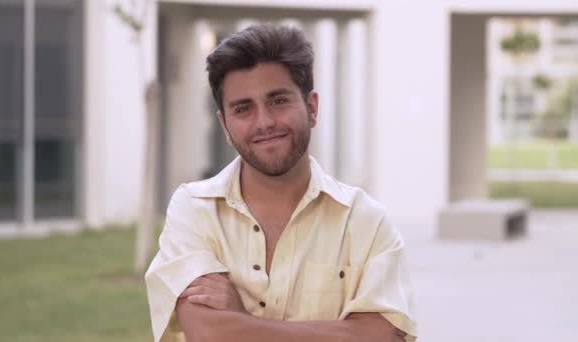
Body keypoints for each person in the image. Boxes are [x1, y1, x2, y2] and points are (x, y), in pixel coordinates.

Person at [145, 23, 417, 342]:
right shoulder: (194, 210)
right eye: (243, 108)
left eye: (278, 101)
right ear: (225, 126)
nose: (265, 122)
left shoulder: (366, 222)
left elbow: (381, 338)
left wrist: (240, 320)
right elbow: (208, 333)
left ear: (312, 108)